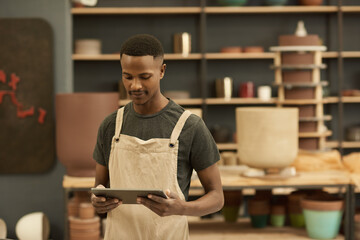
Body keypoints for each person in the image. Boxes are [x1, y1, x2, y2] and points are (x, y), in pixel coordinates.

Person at [91, 34, 224, 240]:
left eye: (144, 77)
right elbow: (100, 187)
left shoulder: (189, 126)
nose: (135, 86)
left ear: (161, 71)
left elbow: (217, 198)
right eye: (128, 76)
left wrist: (182, 208)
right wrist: (98, 201)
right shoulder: (111, 126)